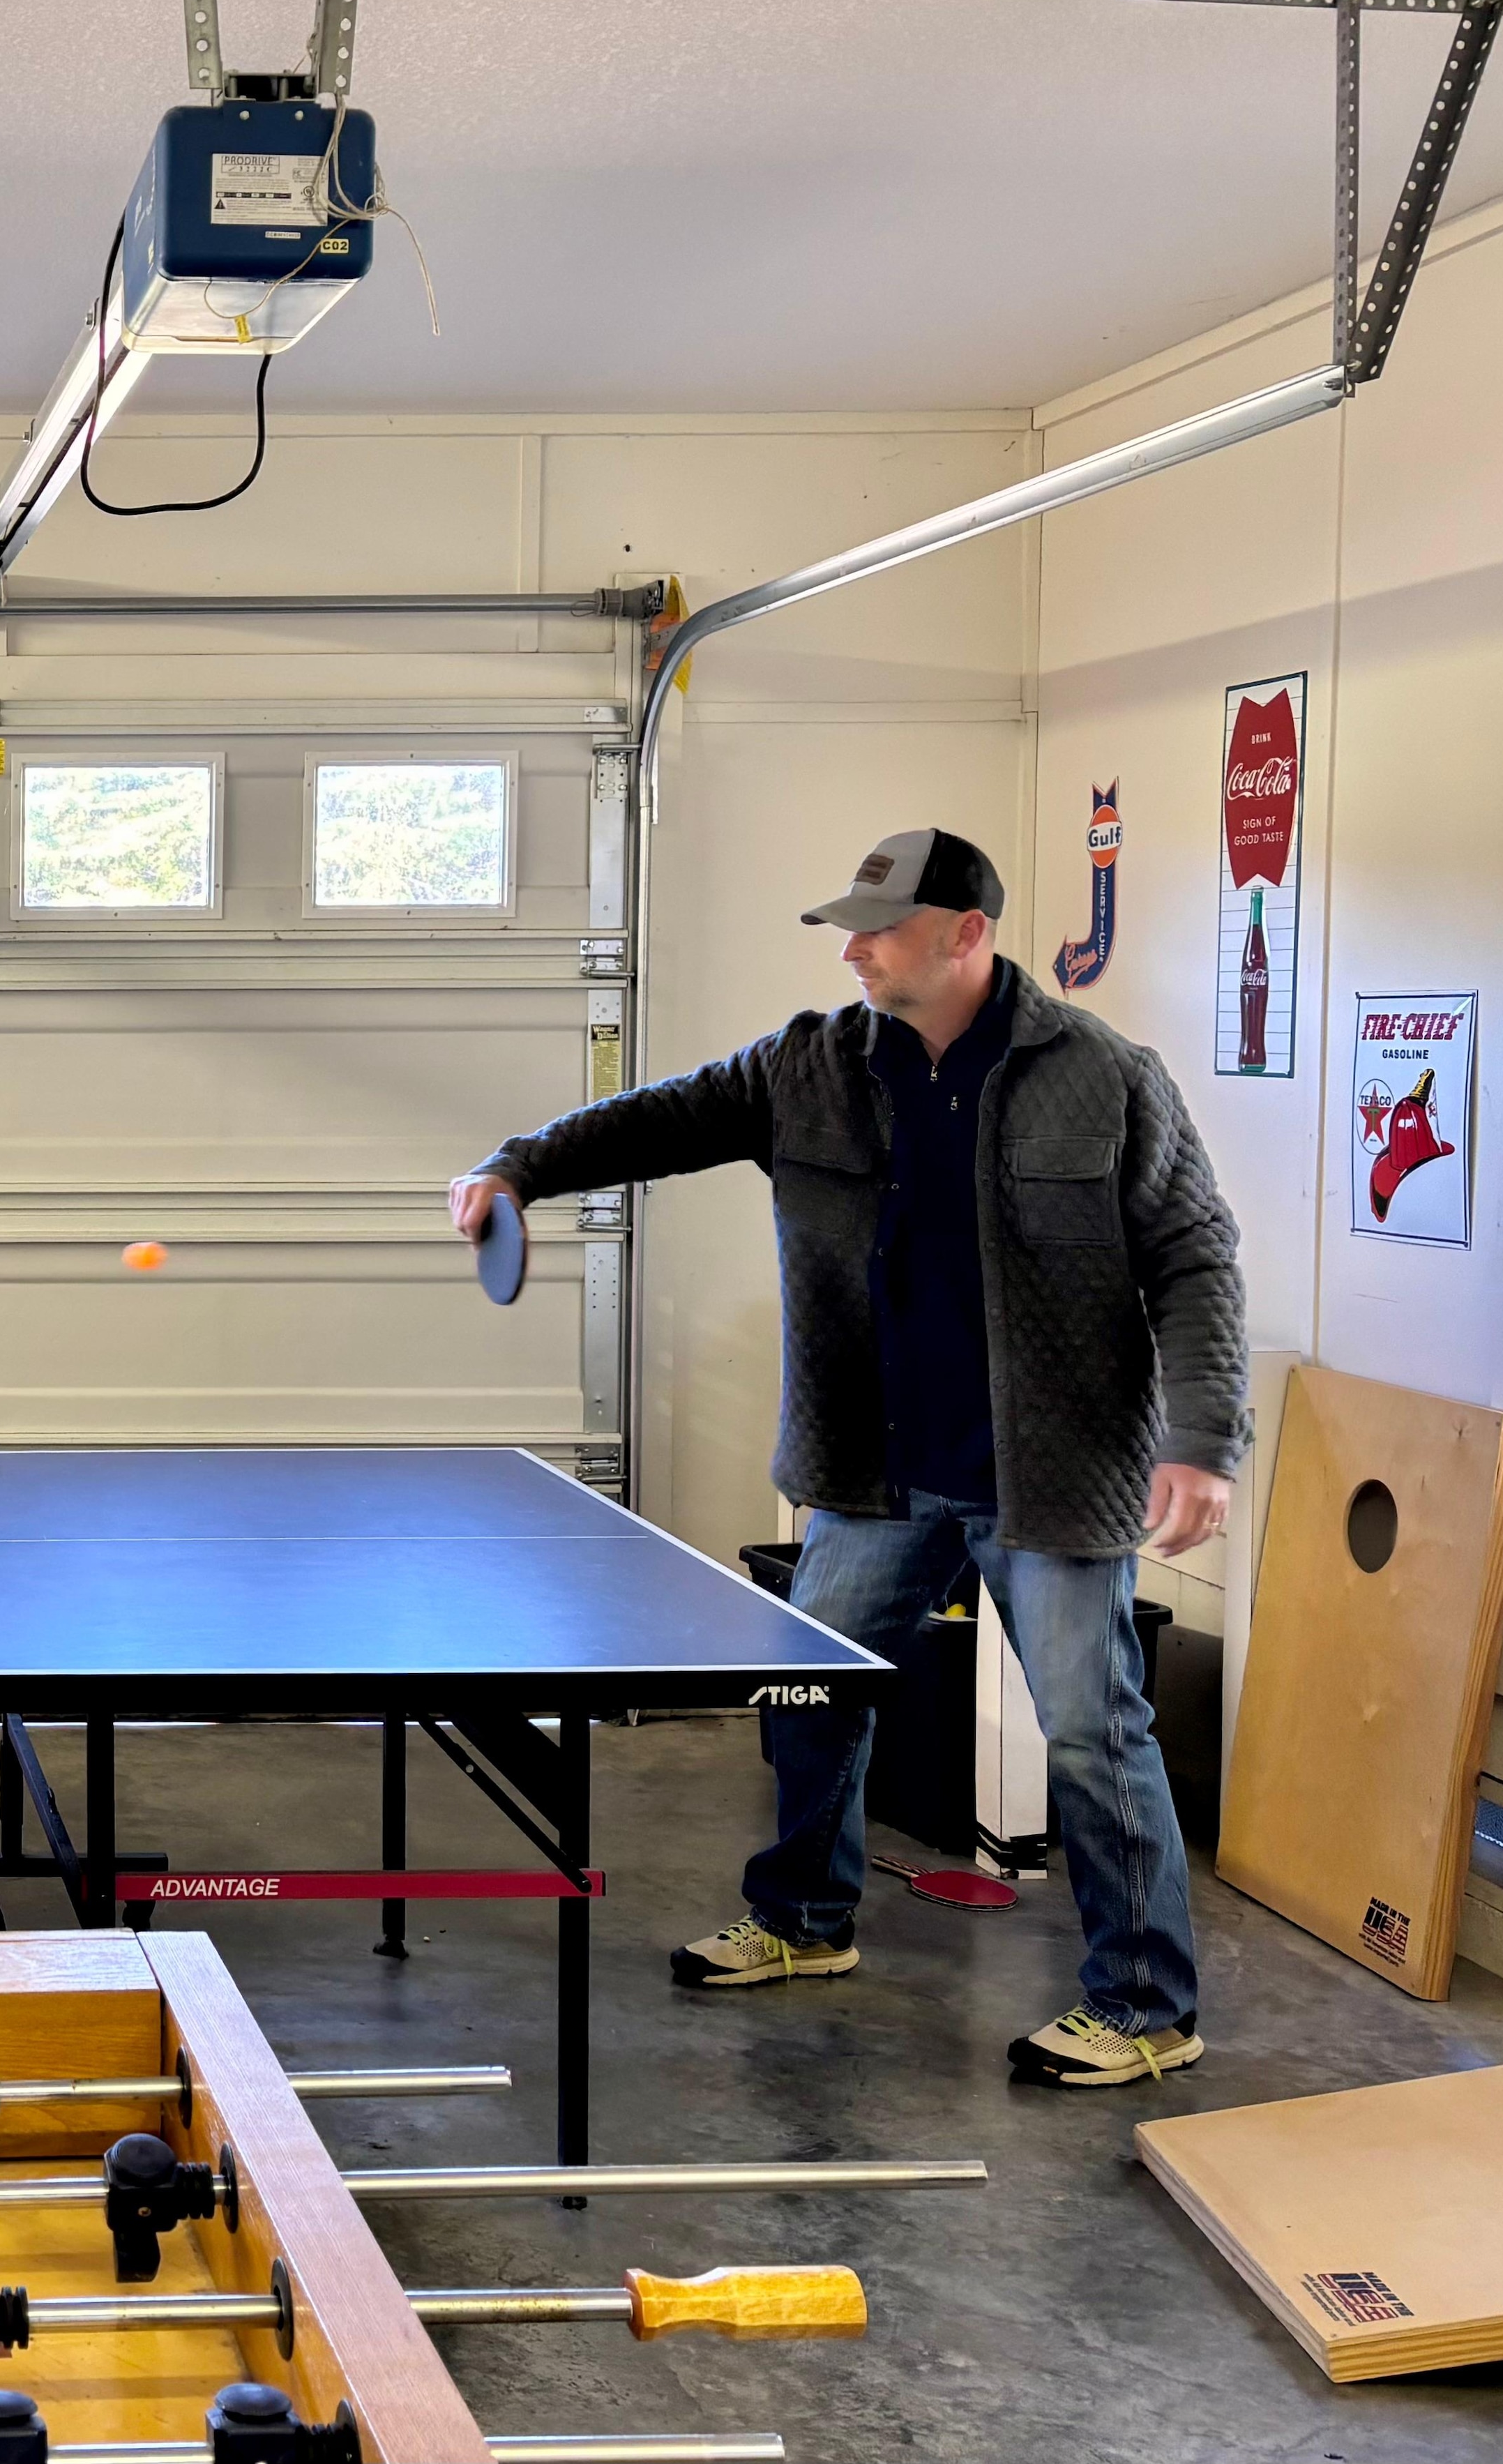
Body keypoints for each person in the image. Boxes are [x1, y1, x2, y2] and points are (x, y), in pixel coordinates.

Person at [451, 827, 1244, 2089]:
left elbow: (1195, 1255)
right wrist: (518, 1166)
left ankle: (1146, 2004)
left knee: (1093, 1735)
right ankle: (805, 1918)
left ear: (966, 932)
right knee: (808, 1689)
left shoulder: (1107, 1078)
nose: (854, 950)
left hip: (1053, 1472)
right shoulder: (809, 1064)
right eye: (848, 928)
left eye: (880, 927)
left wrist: (1203, 1442)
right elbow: (658, 1120)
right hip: (878, 1471)